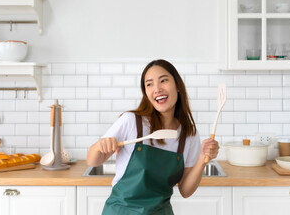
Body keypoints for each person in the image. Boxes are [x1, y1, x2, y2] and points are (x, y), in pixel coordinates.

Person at [87, 59, 219, 215]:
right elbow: (92, 161)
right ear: (145, 93)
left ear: (177, 86)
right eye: (149, 84)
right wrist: (100, 146)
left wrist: (202, 159)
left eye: (163, 80)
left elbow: (185, 190)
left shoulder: (188, 134)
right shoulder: (131, 121)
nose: (157, 89)